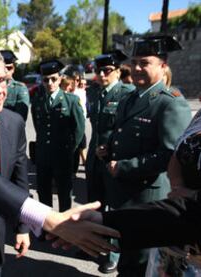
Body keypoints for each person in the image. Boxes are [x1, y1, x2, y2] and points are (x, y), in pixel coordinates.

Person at [0, 45, 119, 276]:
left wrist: (23, 227)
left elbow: (19, 177)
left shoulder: (13, 122)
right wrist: (48, 218)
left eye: (2, 80)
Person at [102, 35, 192, 276]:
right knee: (127, 260)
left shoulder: (170, 103)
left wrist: (124, 166)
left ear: (163, 66)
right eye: (134, 63)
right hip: (123, 195)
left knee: (140, 266)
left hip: (147, 197)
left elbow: (171, 155)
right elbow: (121, 135)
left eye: (145, 63)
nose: (137, 68)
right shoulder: (129, 98)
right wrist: (108, 148)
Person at [85, 50, 135, 273]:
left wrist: (112, 147)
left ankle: (114, 254)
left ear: (117, 71)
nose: (102, 74)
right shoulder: (94, 92)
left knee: (113, 208)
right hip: (94, 160)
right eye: (99, 70)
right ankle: (94, 245)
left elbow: (129, 129)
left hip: (113, 159)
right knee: (95, 204)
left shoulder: (127, 92)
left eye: (107, 70)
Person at [31, 59, 85, 212]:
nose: (50, 83)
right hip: (43, 156)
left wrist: (70, 149)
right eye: (46, 80)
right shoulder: (38, 102)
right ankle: (47, 228)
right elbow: (38, 126)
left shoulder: (71, 100)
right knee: (43, 192)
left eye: (53, 79)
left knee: (64, 193)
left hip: (63, 155)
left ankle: (65, 227)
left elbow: (79, 129)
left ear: (60, 78)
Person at [0, 50, 30, 121]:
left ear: (13, 69)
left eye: (9, 68)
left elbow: (20, 119)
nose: (6, 71)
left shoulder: (19, 88)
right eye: (3, 68)